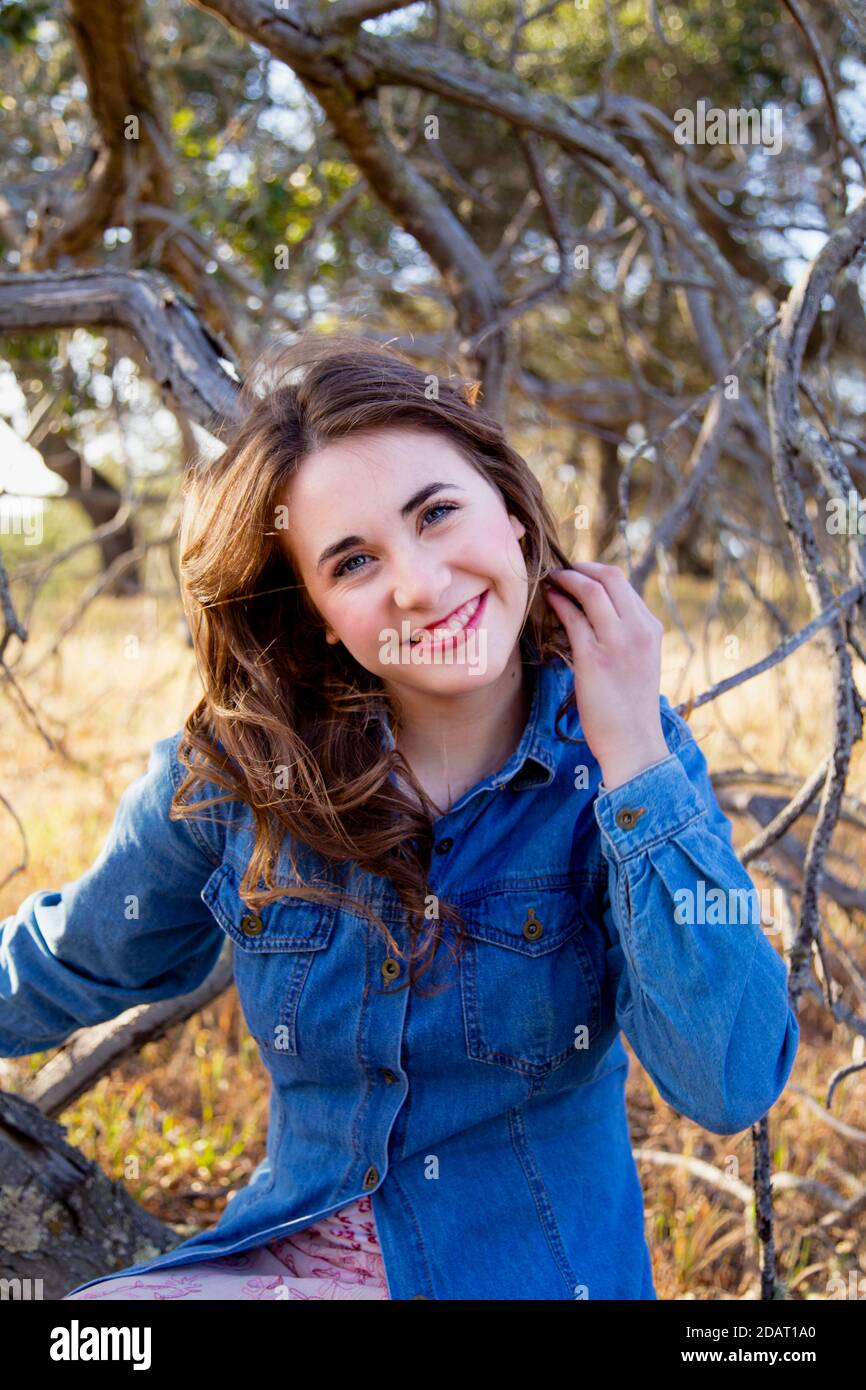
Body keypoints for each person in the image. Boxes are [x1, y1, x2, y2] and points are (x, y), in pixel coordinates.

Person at [1, 333, 799, 1300]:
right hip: (281, 1269)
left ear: (510, 512)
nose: (418, 586)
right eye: (352, 562)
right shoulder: (242, 774)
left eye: (437, 513)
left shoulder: (626, 768)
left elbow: (730, 1079)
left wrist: (634, 755)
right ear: (316, 616)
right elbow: (72, 959)